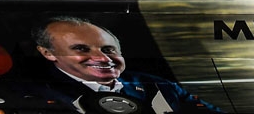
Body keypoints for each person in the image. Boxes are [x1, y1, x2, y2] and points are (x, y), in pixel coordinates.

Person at [32, 16, 220, 112]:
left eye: (108, 50)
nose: (103, 59)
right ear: (48, 53)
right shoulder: (33, 93)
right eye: (82, 49)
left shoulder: (158, 86)